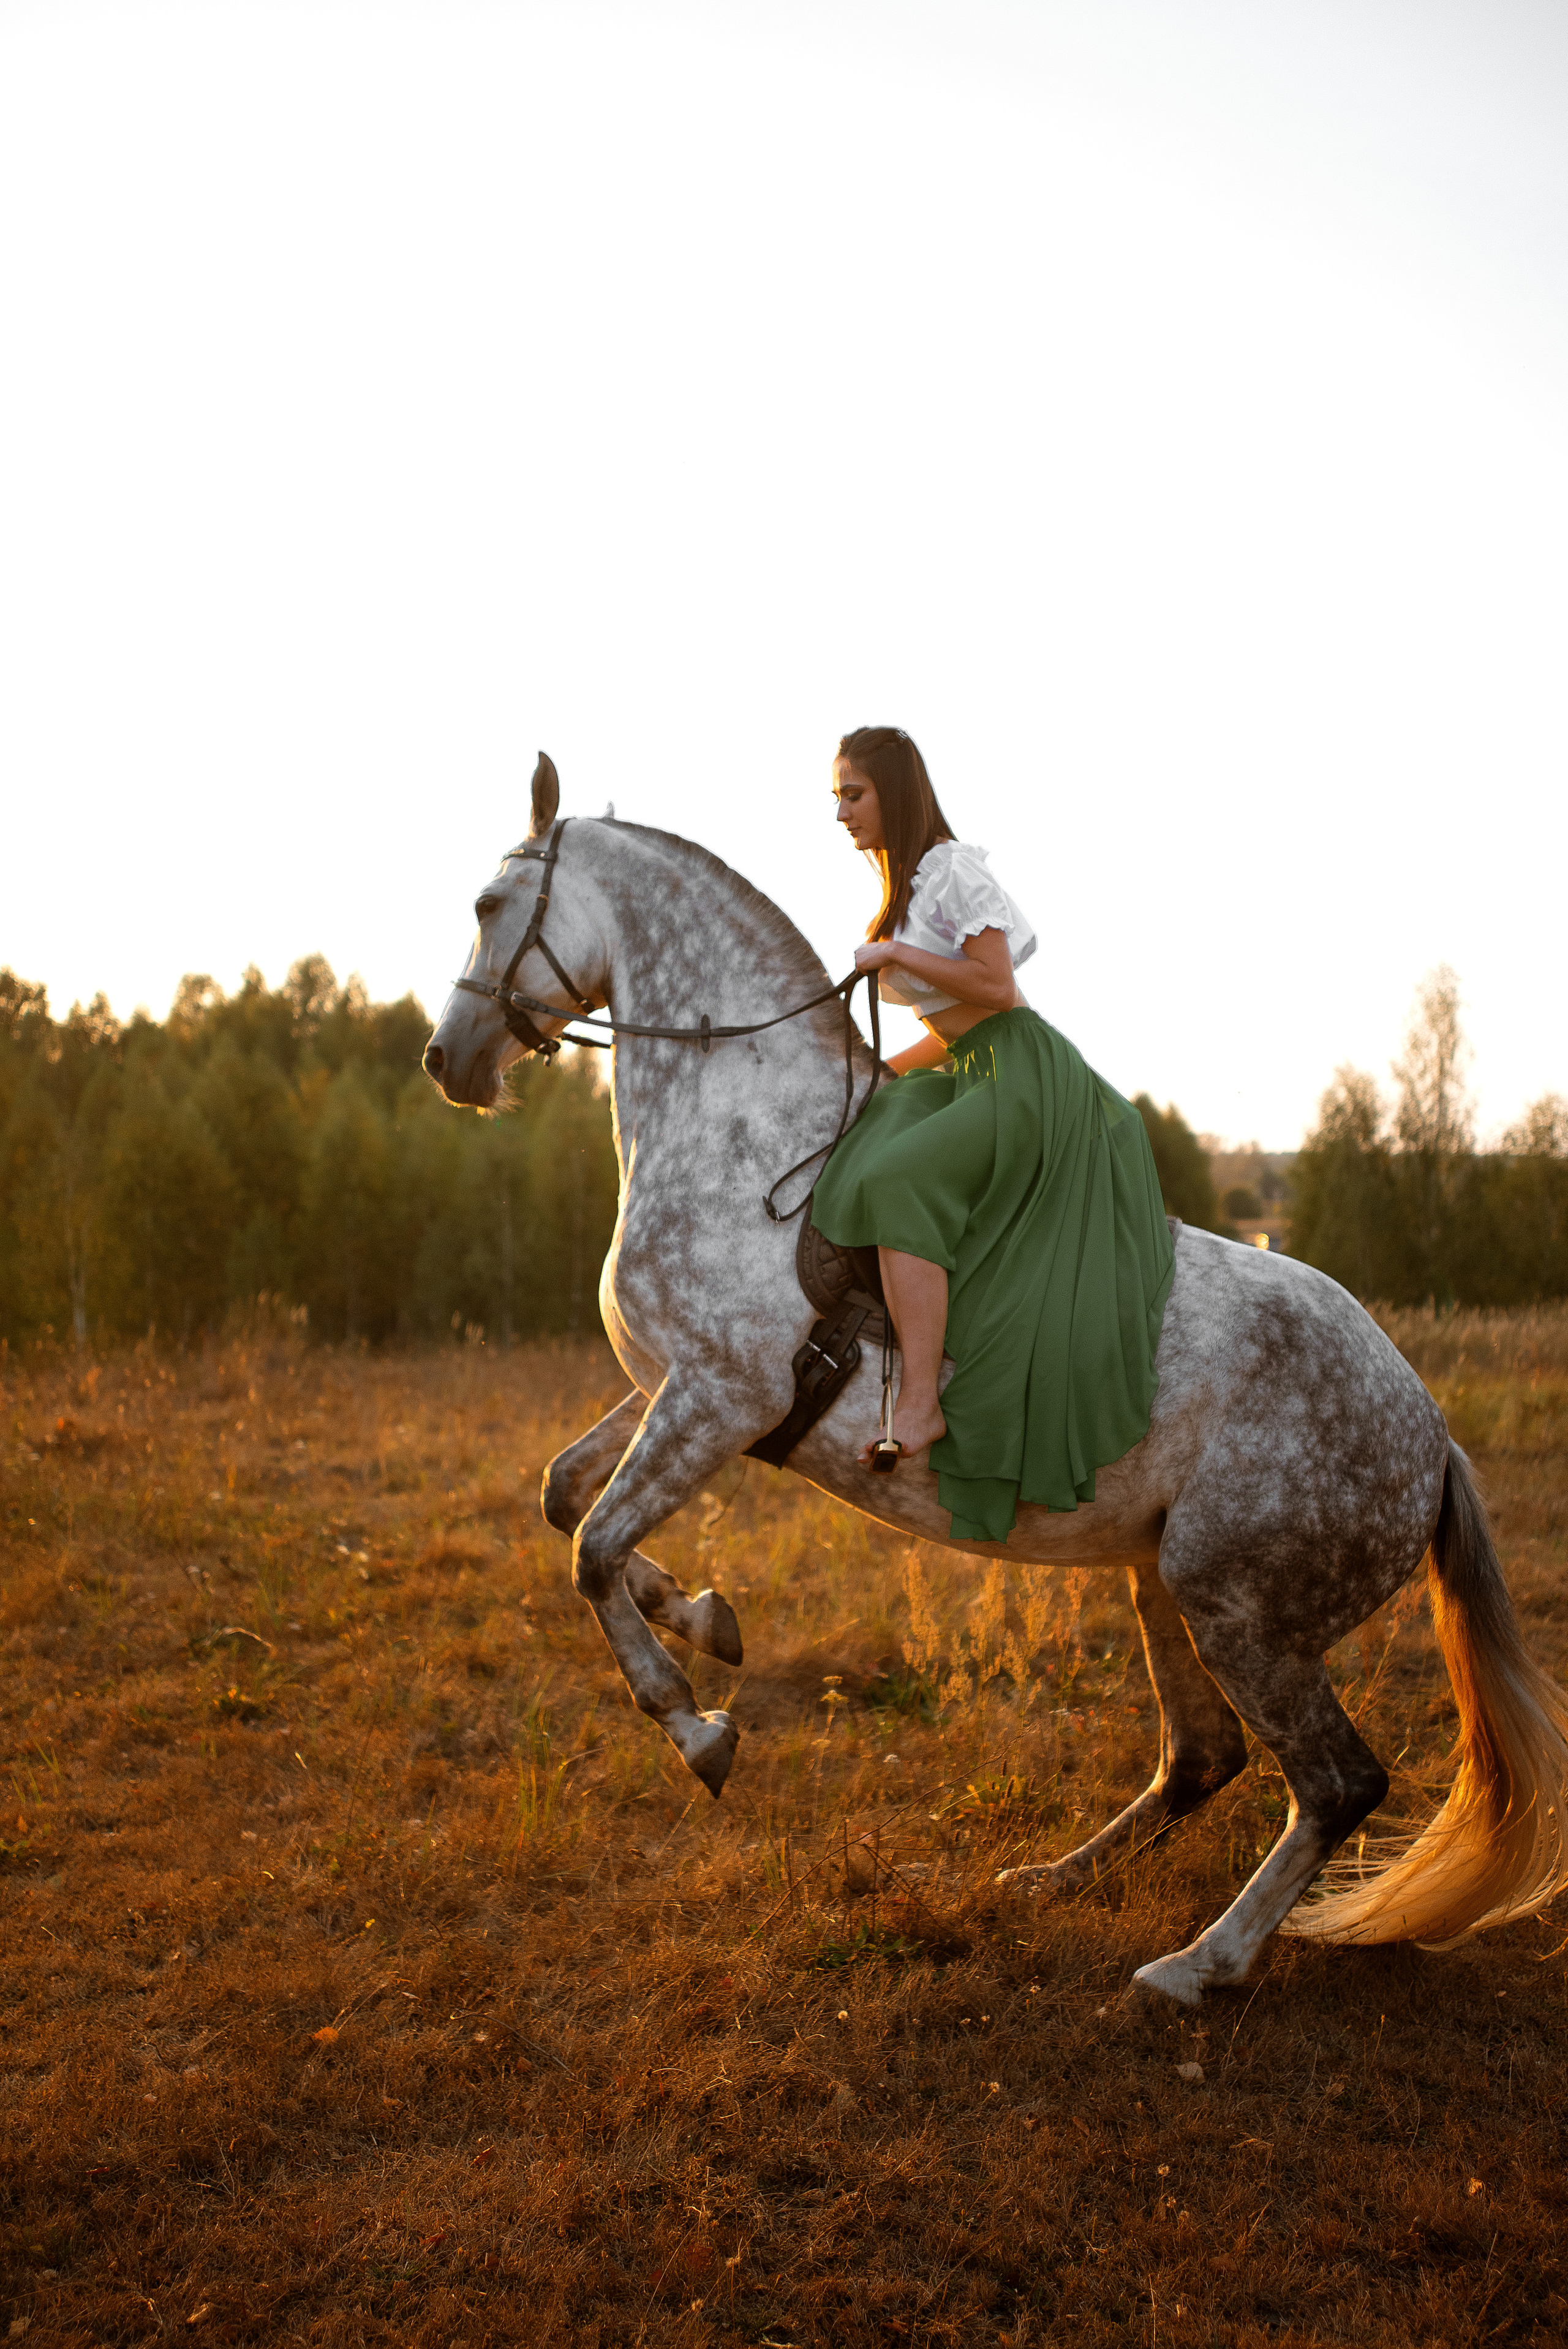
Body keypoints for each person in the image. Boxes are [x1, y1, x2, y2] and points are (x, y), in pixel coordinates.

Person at [809, 725, 1176, 1545]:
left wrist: (896, 954)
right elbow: (951, 1028)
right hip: (974, 1065)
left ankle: (921, 1404)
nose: (840, 811)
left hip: (1023, 1072)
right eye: (836, 794)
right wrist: (875, 1071)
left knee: (897, 1174)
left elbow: (998, 988)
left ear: (893, 793)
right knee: (872, 1133)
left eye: (853, 793)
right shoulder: (908, 889)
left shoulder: (949, 870)